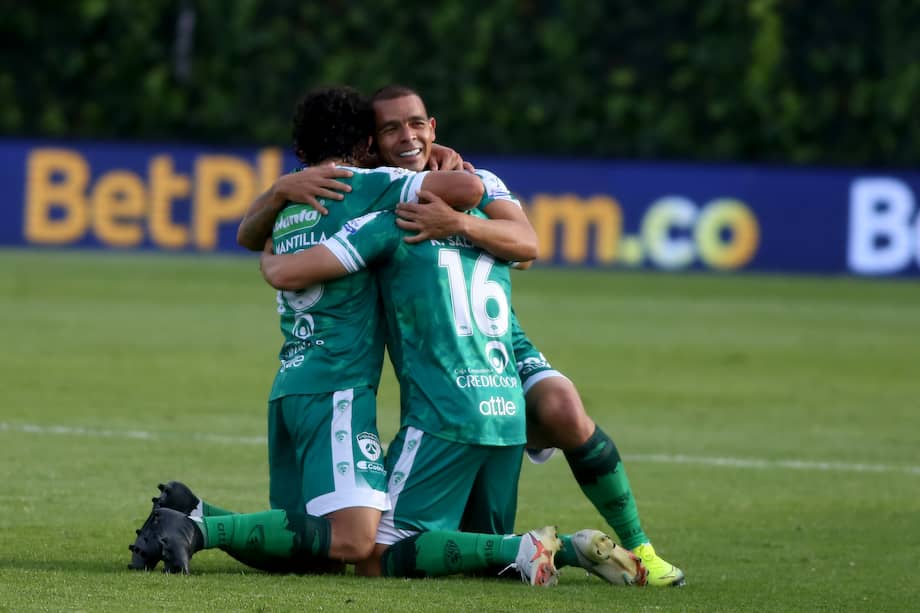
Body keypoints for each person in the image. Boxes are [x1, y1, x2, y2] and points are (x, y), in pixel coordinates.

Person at [128, 84, 488, 573]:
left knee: (308, 555)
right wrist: (437, 160)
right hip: (336, 387)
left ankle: (188, 511)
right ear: (365, 146)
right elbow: (471, 191)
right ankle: (197, 527)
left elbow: (244, 235)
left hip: (289, 388)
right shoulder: (365, 185)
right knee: (357, 543)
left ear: (300, 152)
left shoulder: (291, 198)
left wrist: (277, 188)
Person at [367, 85, 685, 587]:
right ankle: (571, 551)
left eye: (416, 124)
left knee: (562, 407)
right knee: (472, 559)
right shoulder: (378, 190)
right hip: (457, 366)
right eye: (391, 128)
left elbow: (528, 245)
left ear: (434, 128)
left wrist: (457, 223)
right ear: (371, 142)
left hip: (497, 343)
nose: (407, 136)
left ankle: (641, 547)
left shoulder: (479, 180)